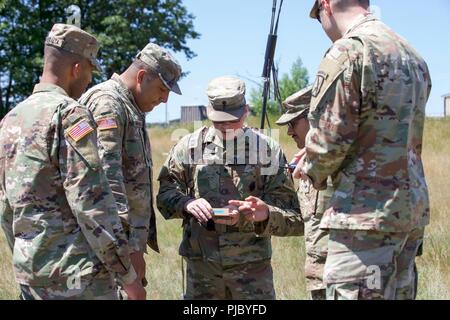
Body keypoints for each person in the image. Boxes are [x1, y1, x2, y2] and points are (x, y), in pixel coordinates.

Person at [294, 0, 432, 299]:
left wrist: (308, 167)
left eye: (317, 17)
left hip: (363, 217)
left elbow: (330, 143)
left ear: (326, 6)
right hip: (409, 213)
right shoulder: (412, 54)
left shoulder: (348, 51)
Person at [0, 23, 144, 300]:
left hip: (32, 276)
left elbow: (6, 205)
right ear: (76, 68)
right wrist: (127, 275)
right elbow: (91, 202)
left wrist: (25, 255)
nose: (89, 80)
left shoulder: (10, 121)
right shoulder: (69, 114)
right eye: (90, 71)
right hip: (78, 278)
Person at [157, 76, 303, 300]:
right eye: (219, 120)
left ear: (245, 111)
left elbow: (294, 217)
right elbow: (165, 196)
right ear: (208, 112)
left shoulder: (266, 150)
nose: (225, 126)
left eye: (232, 120)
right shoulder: (188, 148)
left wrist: (263, 214)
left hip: (252, 274)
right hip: (202, 272)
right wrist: (187, 204)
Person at [79, 43, 181, 287]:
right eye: (161, 89)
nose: (165, 99)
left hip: (119, 243)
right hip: (111, 248)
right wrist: (127, 252)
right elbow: (107, 181)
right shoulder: (109, 104)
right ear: (142, 76)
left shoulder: (129, 105)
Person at [276, 86, 333, 300]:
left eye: (292, 123)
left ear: (314, 117)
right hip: (320, 281)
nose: (289, 132)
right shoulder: (306, 163)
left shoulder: (347, 161)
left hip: (347, 281)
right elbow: (305, 222)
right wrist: (265, 215)